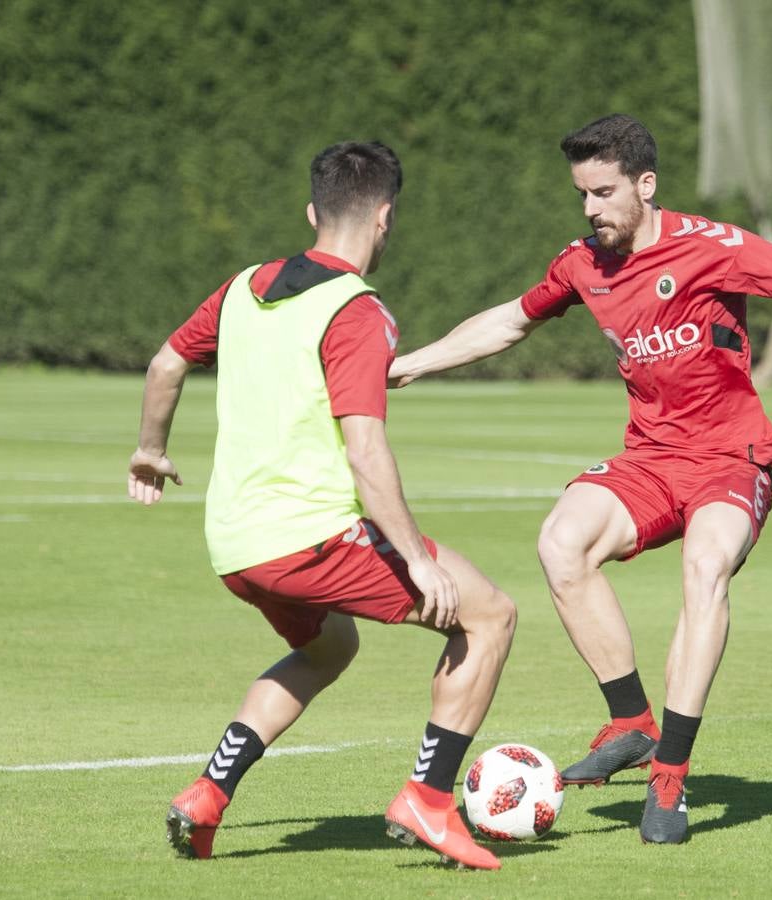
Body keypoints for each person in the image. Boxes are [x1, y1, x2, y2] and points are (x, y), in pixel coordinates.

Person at [387, 114, 772, 843]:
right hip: (651, 460)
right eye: (582, 195)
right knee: (561, 542)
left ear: (646, 183)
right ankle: (631, 721)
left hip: (732, 459)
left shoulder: (712, 247)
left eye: (603, 192)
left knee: (705, 567)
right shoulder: (583, 263)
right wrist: (412, 362)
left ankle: (669, 779)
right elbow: (510, 321)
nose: (591, 209)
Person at [127, 141, 516, 870]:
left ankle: (208, 795)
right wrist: (417, 560)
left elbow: (167, 361)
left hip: (234, 545)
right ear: (385, 217)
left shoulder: (245, 285)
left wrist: (151, 447)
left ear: (313, 212)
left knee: (328, 646)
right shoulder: (359, 310)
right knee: (489, 613)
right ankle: (429, 801)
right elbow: (366, 454)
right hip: (309, 540)